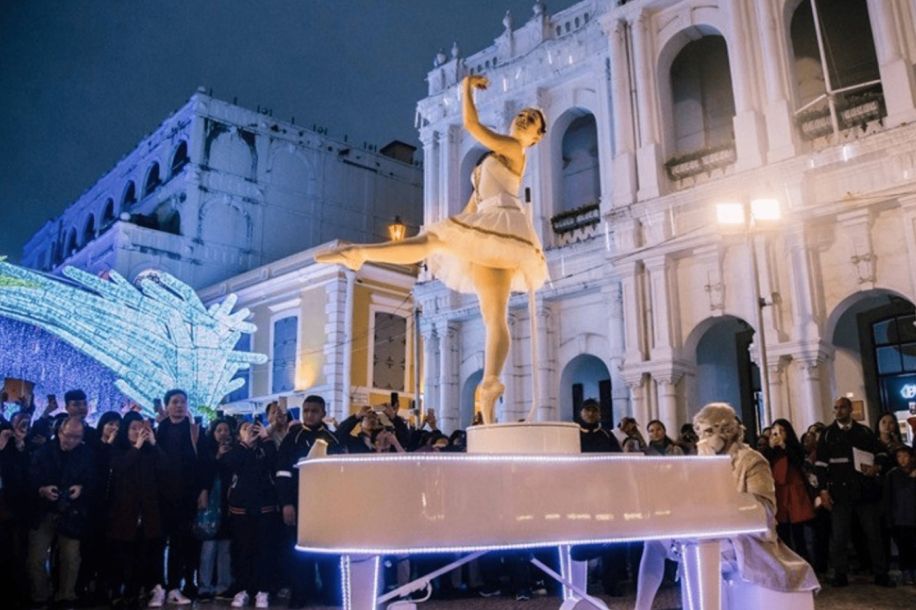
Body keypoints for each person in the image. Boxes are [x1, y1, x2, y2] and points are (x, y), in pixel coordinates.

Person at [316, 74, 548, 424]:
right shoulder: (493, 158)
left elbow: (471, 123)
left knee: (484, 304)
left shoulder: (513, 149)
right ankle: (489, 383)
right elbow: (475, 203)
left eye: (531, 119)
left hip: (503, 226)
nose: (524, 118)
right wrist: (459, 231)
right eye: (523, 114)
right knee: (490, 313)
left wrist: (465, 88)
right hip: (486, 226)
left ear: (536, 137)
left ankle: (360, 253)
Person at [635, 403, 818, 610]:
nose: (705, 439)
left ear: (727, 430)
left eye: (710, 431)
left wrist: (714, 472)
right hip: (708, 530)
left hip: (746, 539)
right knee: (654, 541)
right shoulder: (701, 460)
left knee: (697, 546)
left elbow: (764, 511)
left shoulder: (752, 461)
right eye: (703, 433)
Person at [815, 397, 892, 587]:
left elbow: (881, 453)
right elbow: (820, 465)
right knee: (839, 536)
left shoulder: (864, 432)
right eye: (836, 408)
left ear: (850, 409)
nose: (839, 411)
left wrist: (877, 467)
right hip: (840, 494)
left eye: (842, 407)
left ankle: (881, 573)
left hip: (865, 491)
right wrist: (823, 490)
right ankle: (840, 574)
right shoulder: (827, 434)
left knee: (873, 534)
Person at [275, 396, 343, 608]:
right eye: (306, 411)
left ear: (323, 412)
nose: (309, 415)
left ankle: (329, 593)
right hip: (298, 503)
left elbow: (341, 473)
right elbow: (283, 473)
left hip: (325, 505)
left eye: (314, 411)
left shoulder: (334, 439)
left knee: (327, 551)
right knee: (299, 553)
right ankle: (301, 593)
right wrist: (286, 503)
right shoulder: (292, 438)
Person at [27, 416, 95, 610]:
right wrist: (42, 489)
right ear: (59, 432)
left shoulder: (86, 454)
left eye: (77, 437)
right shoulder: (43, 452)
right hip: (44, 510)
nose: (72, 441)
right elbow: (30, 479)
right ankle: (40, 595)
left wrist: (81, 488)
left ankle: (66, 596)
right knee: (36, 558)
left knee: (71, 557)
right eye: (68, 436)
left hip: (72, 511)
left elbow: (93, 481)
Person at [107, 412, 168, 608]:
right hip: (123, 513)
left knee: (143, 556)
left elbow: (165, 468)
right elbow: (121, 466)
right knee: (123, 556)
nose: (137, 432)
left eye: (140, 428)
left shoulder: (150, 451)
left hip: (147, 513)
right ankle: (119, 592)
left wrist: (153, 443)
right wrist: (137, 446)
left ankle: (137, 591)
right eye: (133, 428)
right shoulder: (117, 449)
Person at [156, 389, 205, 604]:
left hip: (186, 497)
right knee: (157, 543)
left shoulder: (194, 431)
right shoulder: (159, 432)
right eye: (175, 402)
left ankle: (177, 586)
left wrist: (202, 491)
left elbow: (203, 464)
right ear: (167, 406)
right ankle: (158, 586)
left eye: (183, 402)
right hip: (160, 496)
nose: (179, 406)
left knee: (181, 542)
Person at [224, 420, 279, 609]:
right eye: (246, 429)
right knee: (242, 551)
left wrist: (266, 438)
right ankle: (243, 590)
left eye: (254, 428)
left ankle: (263, 591)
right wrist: (245, 444)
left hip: (265, 509)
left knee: (264, 551)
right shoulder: (236, 450)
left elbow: (276, 464)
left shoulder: (266, 449)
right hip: (241, 510)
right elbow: (230, 464)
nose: (251, 432)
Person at [197, 419, 234, 601]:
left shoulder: (235, 450)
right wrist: (218, 456)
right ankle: (205, 585)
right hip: (211, 501)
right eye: (219, 430)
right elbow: (205, 472)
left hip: (228, 502)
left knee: (225, 547)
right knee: (208, 544)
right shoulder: (207, 451)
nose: (222, 433)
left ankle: (223, 585)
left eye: (226, 430)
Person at [768, 419, 815, 562]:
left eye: (782, 431)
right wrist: (771, 447)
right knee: (782, 532)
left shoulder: (794, 447)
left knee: (798, 533)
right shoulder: (771, 451)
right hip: (779, 493)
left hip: (795, 492)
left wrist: (784, 446)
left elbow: (798, 461)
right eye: (776, 431)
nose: (779, 434)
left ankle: (805, 563)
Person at [0, 411, 33, 607]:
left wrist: (21, 445)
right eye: (20, 423)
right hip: (6, 507)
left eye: (26, 424)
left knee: (17, 552)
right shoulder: (5, 446)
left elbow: (26, 475)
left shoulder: (27, 447)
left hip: (18, 509)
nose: (23, 427)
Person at [884, 445, 916, 584]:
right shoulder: (892, 475)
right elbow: (888, 497)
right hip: (900, 518)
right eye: (899, 456)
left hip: (913, 516)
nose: (902, 460)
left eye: (905, 456)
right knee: (904, 547)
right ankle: (906, 572)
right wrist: (889, 518)